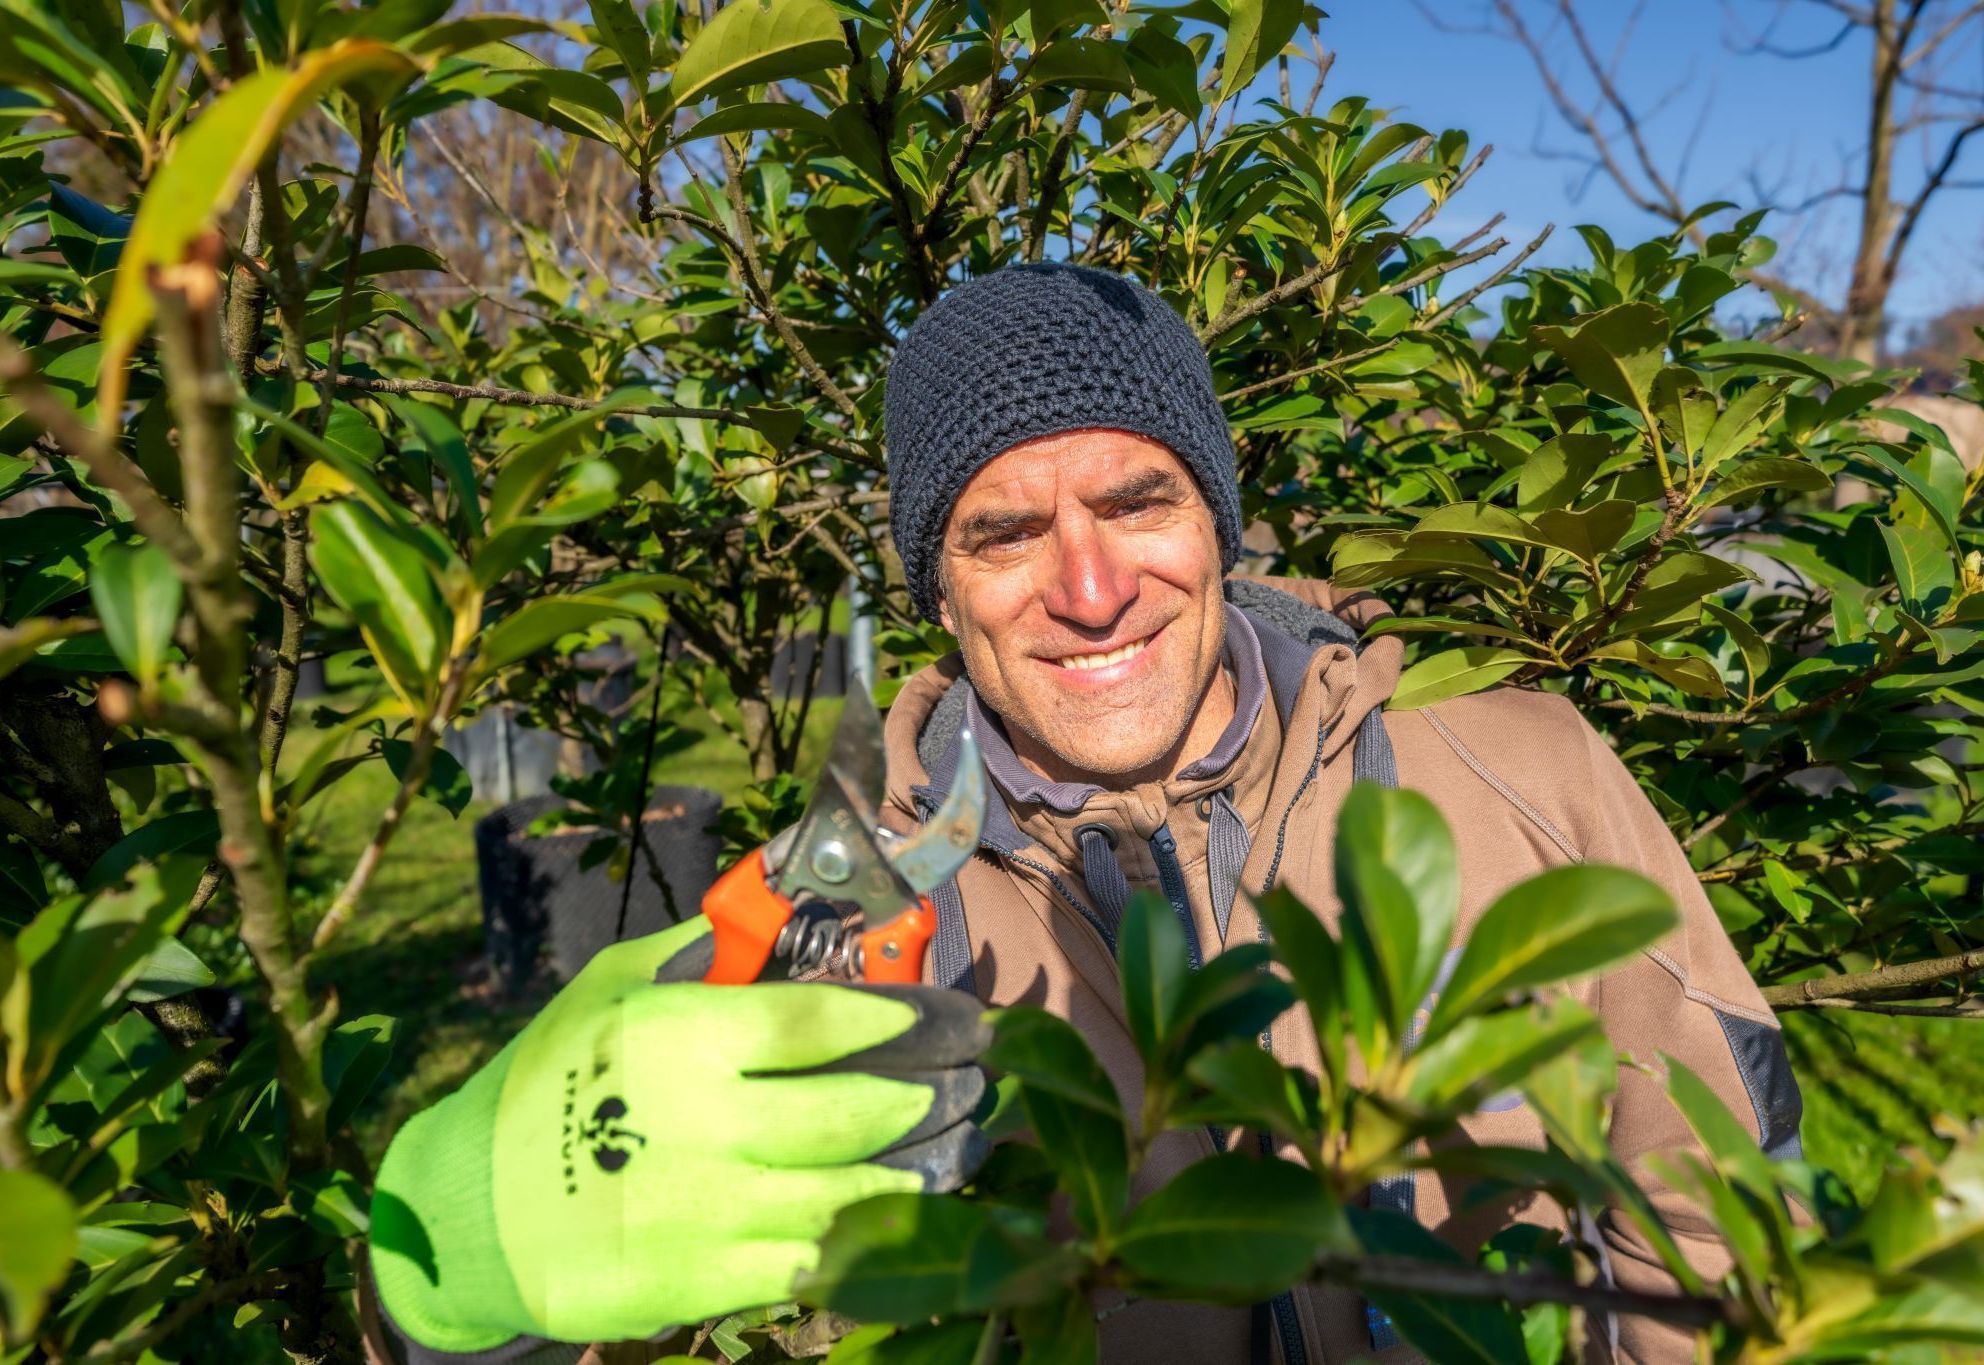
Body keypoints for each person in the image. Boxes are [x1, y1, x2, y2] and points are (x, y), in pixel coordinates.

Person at [365, 263, 1802, 1365]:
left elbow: (1721, 1217)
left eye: (1139, 500)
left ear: (1219, 526)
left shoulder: (1520, 772)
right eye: (1001, 530)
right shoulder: (850, 887)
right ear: (939, 589)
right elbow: (662, 1254)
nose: (1093, 584)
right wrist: (456, 1262)